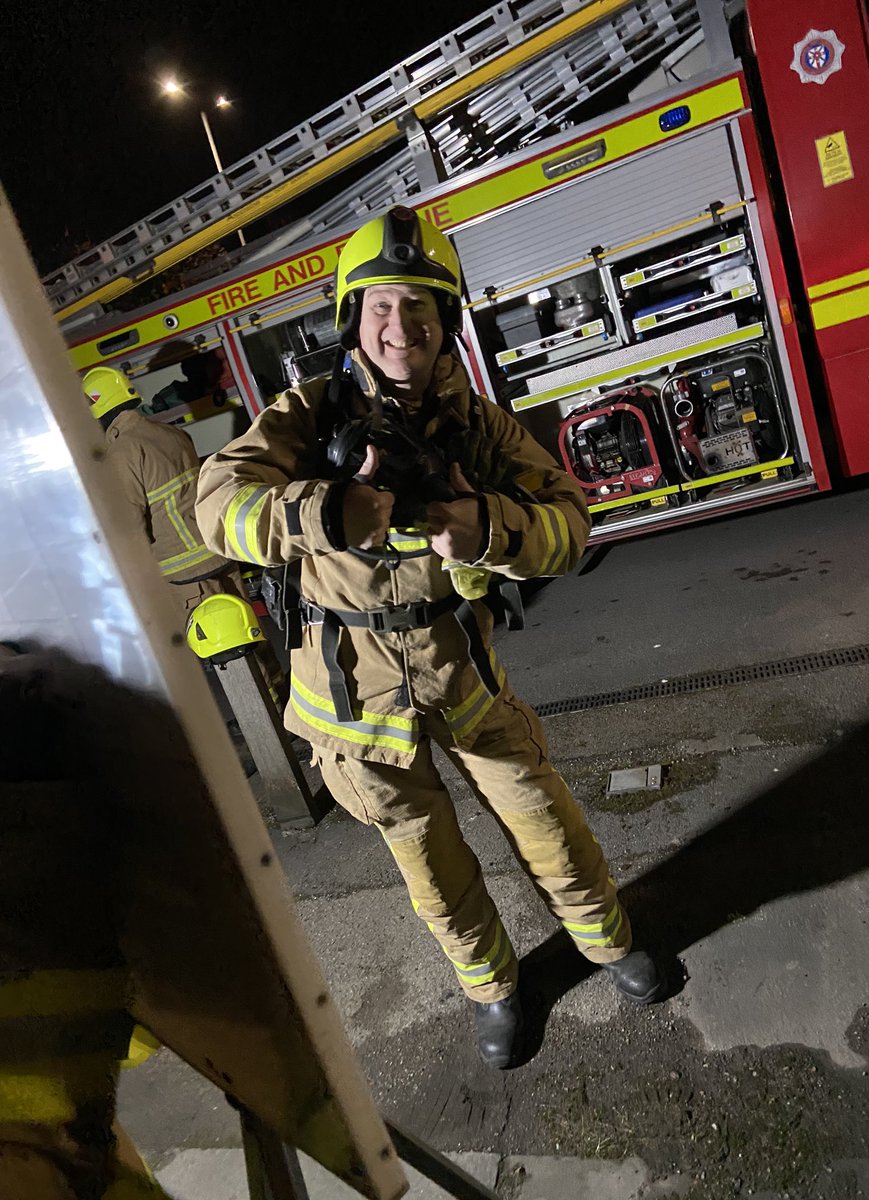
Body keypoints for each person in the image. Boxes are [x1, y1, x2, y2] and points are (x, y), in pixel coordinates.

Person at [195, 206, 662, 1069]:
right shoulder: (304, 418)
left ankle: (608, 944)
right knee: (433, 875)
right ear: (352, 318)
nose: (399, 326)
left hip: (463, 677)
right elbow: (218, 506)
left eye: (420, 308)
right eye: (379, 307)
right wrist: (325, 509)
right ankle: (494, 991)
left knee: (548, 826)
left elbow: (572, 521)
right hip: (351, 707)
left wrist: (483, 525)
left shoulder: (476, 427)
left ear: (446, 321)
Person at [81, 367, 284, 701]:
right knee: (247, 632)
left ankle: (265, 719)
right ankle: (278, 699)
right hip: (219, 550)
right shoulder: (170, 434)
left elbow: (128, 524)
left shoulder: (123, 453)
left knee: (224, 647)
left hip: (185, 573)